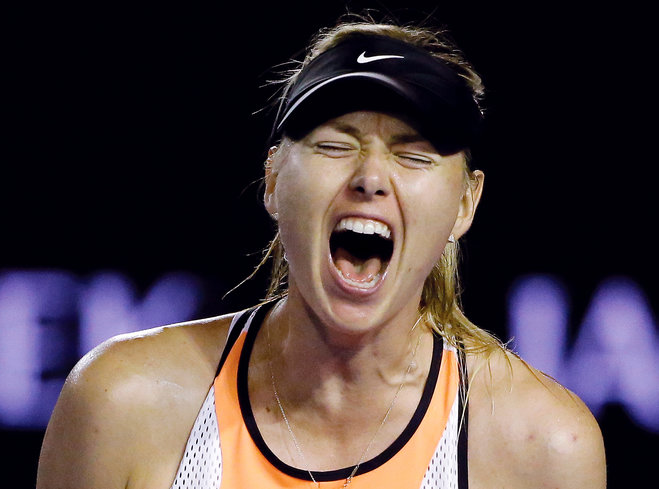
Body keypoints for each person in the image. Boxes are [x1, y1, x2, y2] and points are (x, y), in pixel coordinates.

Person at [37, 16, 607, 489]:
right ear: (272, 179)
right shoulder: (123, 403)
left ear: (465, 203)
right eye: (336, 145)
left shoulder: (544, 447)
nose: (371, 178)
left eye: (413, 155)